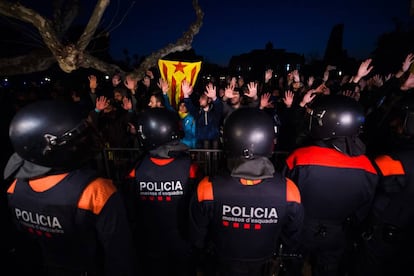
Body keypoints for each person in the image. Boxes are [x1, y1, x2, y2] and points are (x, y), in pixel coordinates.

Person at [3, 99, 138, 275]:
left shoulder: (14, 188)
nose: (83, 142)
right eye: (76, 139)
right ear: (50, 146)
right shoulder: (96, 190)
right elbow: (120, 255)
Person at [189, 107, 304, 276]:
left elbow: (197, 235)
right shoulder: (289, 190)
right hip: (264, 263)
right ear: (270, 141)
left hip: (221, 263)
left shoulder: (207, 188)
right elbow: (292, 237)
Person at [282, 94, 379, 276]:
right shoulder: (369, 166)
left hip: (301, 229)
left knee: (292, 267)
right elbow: (364, 210)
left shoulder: (300, 157)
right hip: (339, 233)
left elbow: (285, 197)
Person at [125, 107, 202, 276]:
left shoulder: (136, 170)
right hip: (182, 242)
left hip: (150, 242)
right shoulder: (190, 168)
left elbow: (131, 210)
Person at [353, 82, 414, 276]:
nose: (394, 124)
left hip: (382, 240)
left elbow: (363, 196)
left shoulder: (392, 161)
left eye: (399, 119)